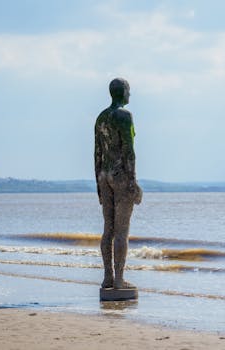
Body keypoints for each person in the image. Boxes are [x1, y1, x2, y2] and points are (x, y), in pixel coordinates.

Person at [94, 78, 142, 289]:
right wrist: (133, 182)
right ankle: (119, 279)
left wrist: (98, 182)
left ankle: (107, 277)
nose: (130, 95)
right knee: (121, 231)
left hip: (104, 175)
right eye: (129, 91)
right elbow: (128, 151)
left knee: (108, 230)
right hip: (120, 175)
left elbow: (97, 153)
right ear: (123, 92)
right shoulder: (124, 116)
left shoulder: (101, 118)